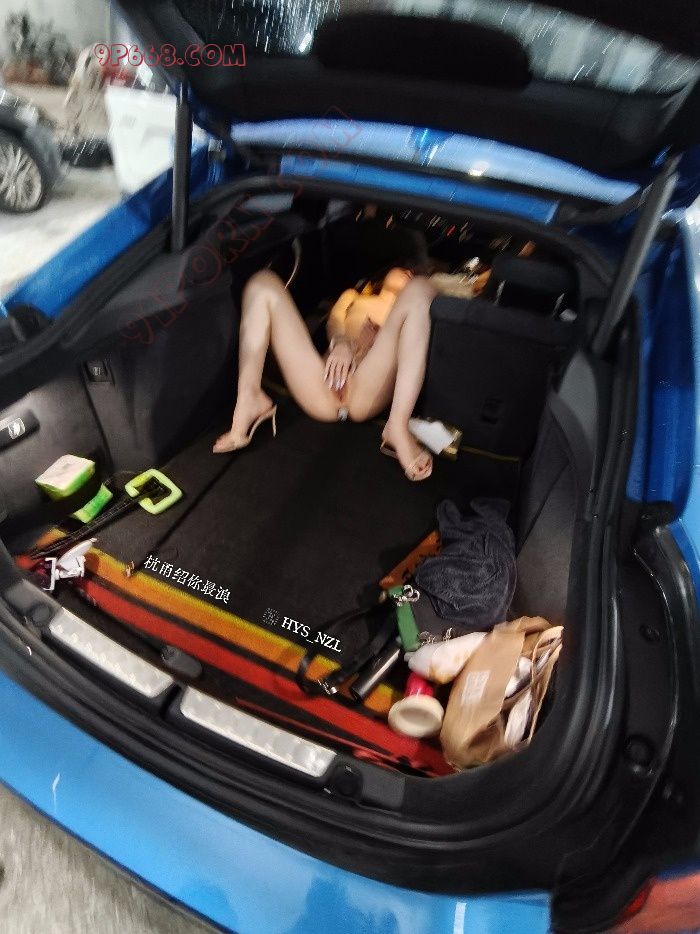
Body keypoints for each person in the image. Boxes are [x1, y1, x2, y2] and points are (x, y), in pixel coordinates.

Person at [213, 267, 437, 481]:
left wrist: (370, 344)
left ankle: (397, 425)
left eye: (414, 270)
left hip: (368, 382)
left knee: (420, 288)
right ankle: (249, 396)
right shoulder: (354, 296)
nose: (409, 272)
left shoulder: (405, 305)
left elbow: (414, 336)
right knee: (262, 281)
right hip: (322, 381)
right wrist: (342, 343)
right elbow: (334, 321)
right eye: (403, 267)